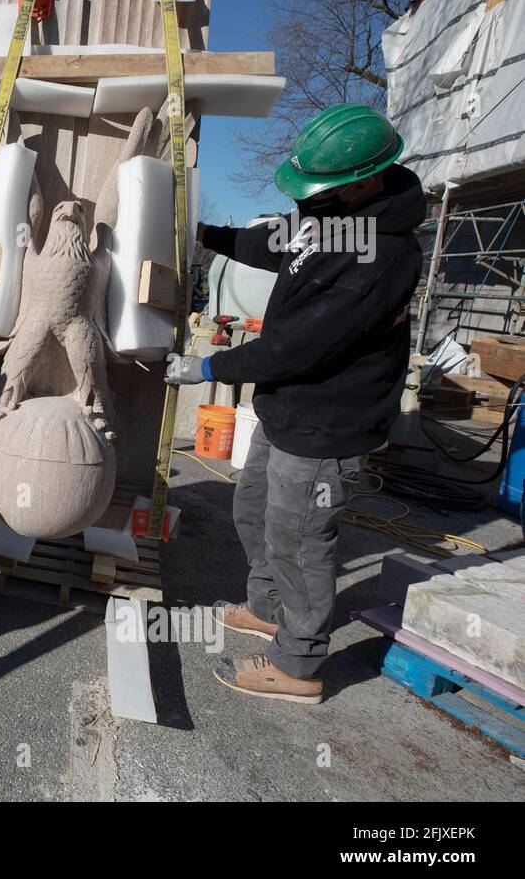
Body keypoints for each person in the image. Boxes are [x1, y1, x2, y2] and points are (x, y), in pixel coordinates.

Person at [164, 103, 424, 704]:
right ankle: (268, 608)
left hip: (327, 425)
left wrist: (208, 366)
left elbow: (295, 348)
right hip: (288, 412)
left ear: (364, 181)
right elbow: (272, 244)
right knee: (253, 512)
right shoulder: (336, 215)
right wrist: (203, 235)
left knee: (302, 542)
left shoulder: (383, 257)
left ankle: (298, 663)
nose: (310, 201)